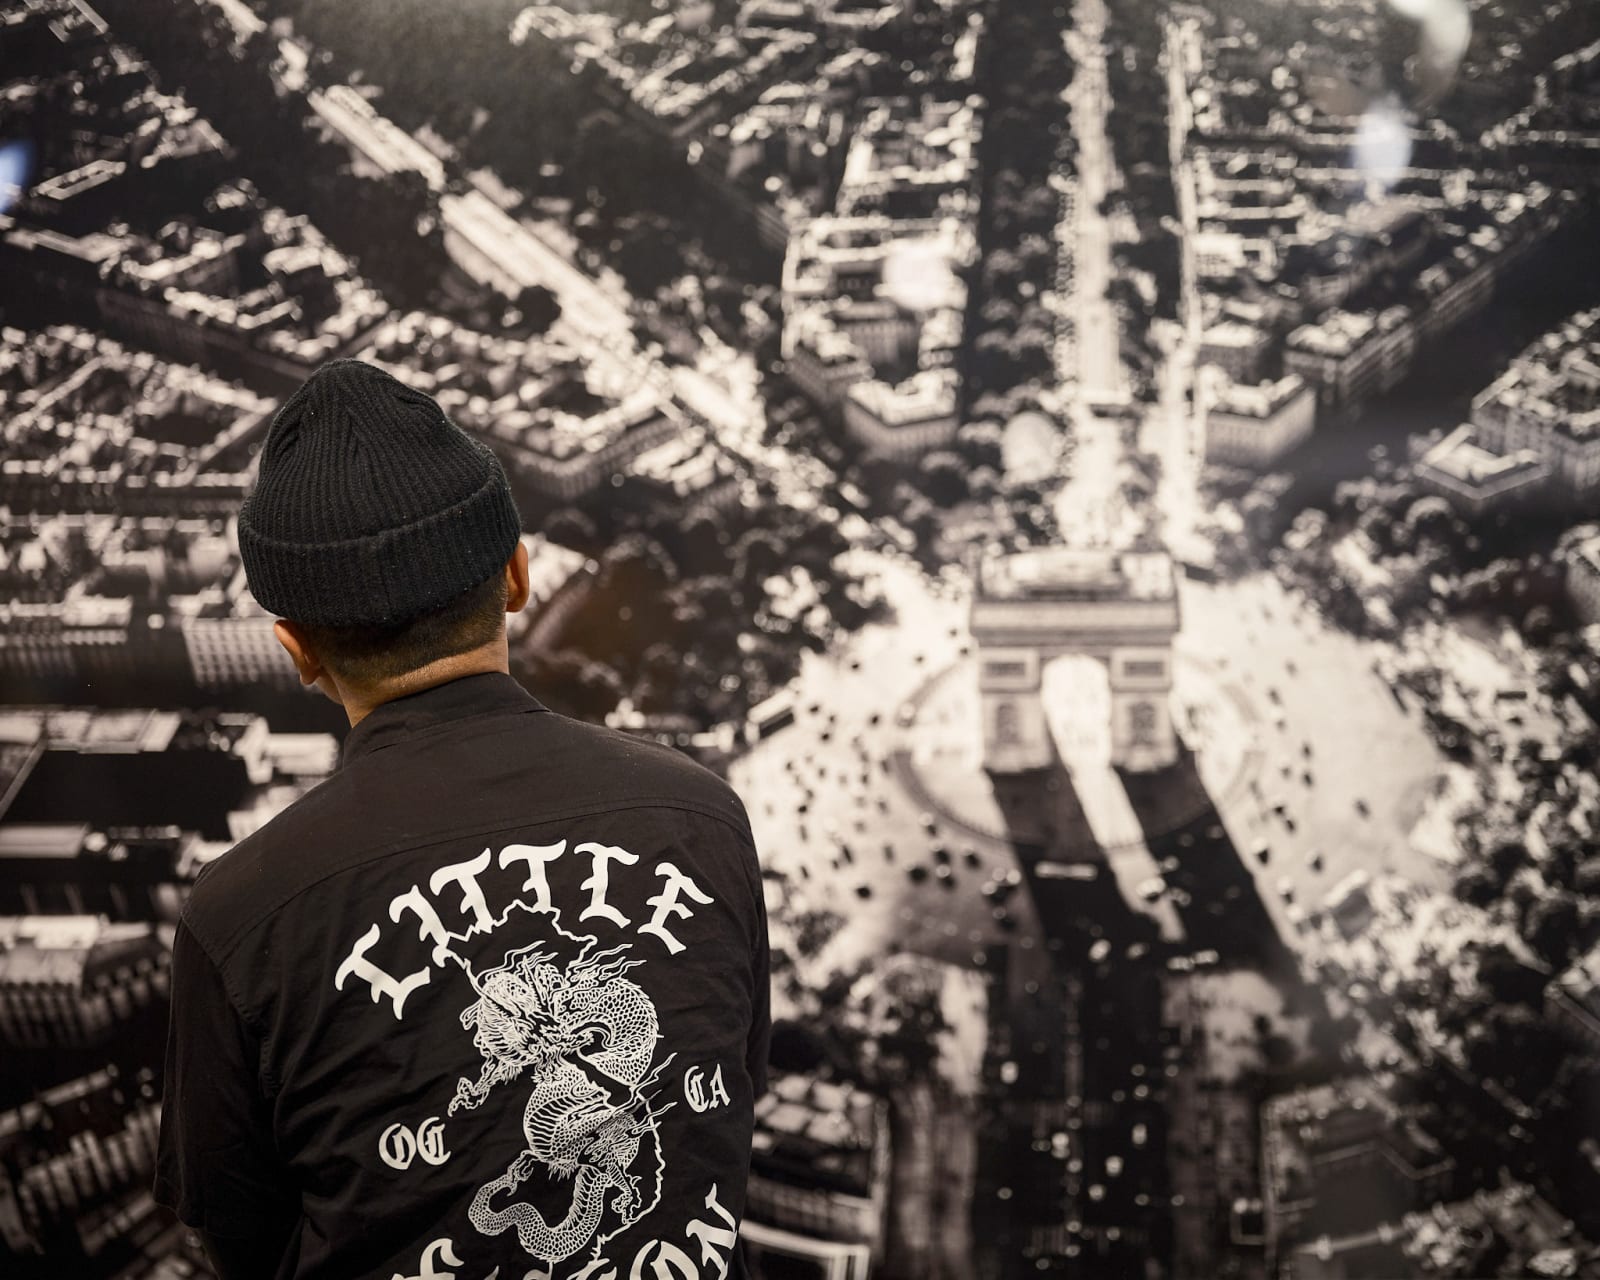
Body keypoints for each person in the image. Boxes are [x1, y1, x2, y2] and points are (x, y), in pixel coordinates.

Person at [154, 360, 771, 1280]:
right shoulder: (702, 816)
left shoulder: (239, 917)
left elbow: (240, 1234)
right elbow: (723, 1100)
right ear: (517, 575)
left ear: (297, 649)